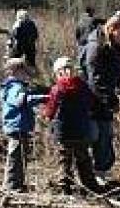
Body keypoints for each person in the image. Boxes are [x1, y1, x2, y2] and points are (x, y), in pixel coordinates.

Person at [82, 10, 120, 185]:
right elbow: (96, 79)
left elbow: (118, 67)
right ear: (113, 29)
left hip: (105, 98)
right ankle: (92, 173)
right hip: (92, 99)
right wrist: (110, 100)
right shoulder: (96, 47)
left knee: (105, 134)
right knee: (95, 135)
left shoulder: (117, 47)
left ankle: (102, 170)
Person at [42, 56, 98, 194]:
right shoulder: (83, 86)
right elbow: (92, 103)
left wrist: (47, 116)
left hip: (63, 132)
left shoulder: (57, 89)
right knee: (83, 159)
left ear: (58, 73)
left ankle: (64, 187)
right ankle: (89, 186)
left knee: (64, 160)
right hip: (81, 131)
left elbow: (50, 108)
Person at [0, 58, 48, 192]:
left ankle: (17, 183)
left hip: (18, 125)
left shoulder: (12, 86)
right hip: (17, 125)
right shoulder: (15, 87)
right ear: (16, 72)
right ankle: (11, 185)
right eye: (24, 71)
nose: (27, 74)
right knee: (15, 157)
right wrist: (43, 98)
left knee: (20, 156)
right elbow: (19, 101)